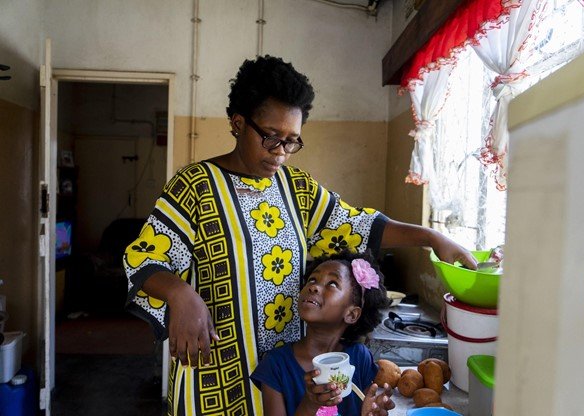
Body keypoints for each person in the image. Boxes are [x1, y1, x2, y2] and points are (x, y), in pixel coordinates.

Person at [123, 55, 476, 416]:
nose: (280, 153)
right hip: (215, 378)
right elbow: (144, 258)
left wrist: (431, 237)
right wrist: (181, 294)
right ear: (238, 123)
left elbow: (356, 225)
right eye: (271, 138)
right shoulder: (194, 185)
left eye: (292, 142)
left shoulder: (297, 189)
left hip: (290, 380)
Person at [251, 251, 395, 416]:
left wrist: (373, 411)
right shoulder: (275, 365)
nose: (313, 286)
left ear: (351, 314)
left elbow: (368, 405)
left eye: (332, 284)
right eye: (312, 279)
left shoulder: (360, 357)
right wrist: (310, 404)